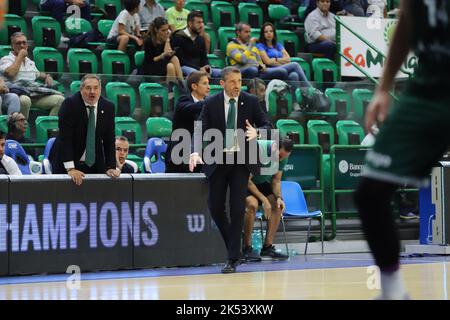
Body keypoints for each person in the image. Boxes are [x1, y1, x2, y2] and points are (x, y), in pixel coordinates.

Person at [354, 0, 450, 299]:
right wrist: (383, 87)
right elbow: (407, 21)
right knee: (369, 193)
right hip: (425, 92)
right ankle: (393, 292)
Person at [190, 67, 272, 273]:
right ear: (222, 84)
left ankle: (232, 258)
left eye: (240, 81)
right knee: (215, 207)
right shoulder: (211, 103)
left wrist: (258, 132)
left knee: (237, 209)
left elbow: (268, 125)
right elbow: (199, 128)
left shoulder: (250, 101)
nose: (238, 85)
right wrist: (194, 152)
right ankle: (235, 250)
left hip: (241, 162)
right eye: (233, 81)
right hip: (218, 161)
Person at [49, 74, 120, 186]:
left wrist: (110, 166)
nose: (92, 91)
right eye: (88, 88)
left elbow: (109, 139)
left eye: (96, 88)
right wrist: (70, 169)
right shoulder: (70, 104)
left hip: (94, 162)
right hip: (67, 160)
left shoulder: (108, 107)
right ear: (81, 89)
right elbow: (65, 138)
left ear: (100, 89)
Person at [243, 138, 293, 262]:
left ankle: (267, 247)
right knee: (253, 205)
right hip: (243, 181)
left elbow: (276, 180)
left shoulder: (283, 156)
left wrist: (279, 198)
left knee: (277, 206)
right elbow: (247, 181)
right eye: (280, 156)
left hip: (260, 182)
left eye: (284, 157)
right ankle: (246, 248)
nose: (281, 160)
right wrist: (264, 200)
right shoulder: (258, 150)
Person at [0, 32, 64, 118]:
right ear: (12, 46)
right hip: (18, 94)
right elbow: (11, 73)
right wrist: (20, 56)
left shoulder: (30, 62)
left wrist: (47, 76)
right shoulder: (6, 59)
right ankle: (21, 129)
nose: (22, 45)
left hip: (34, 94)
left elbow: (38, 74)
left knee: (60, 100)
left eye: (24, 43)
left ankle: (49, 128)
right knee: (25, 100)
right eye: (18, 43)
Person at [166, 71, 210, 173]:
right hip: (178, 156)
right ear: (194, 86)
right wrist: (211, 102)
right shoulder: (183, 100)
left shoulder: (207, 105)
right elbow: (192, 107)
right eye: (204, 83)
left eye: (208, 83)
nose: (209, 87)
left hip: (199, 155)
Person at [171, 11, 221, 79]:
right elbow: (181, 60)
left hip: (200, 69)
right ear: (190, 23)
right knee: (198, 74)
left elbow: (204, 58)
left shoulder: (200, 39)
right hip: (184, 67)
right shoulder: (178, 36)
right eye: (198, 22)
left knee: (223, 73)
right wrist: (199, 69)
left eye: (202, 22)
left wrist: (207, 68)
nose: (201, 25)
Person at [142, 17, 184, 84]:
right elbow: (151, 60)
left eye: (167, 30)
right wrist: (163, 55)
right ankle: (182, 83)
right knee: (173, 60)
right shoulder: (149, 41)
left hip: (165, 64)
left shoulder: (169, 38)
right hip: (152, 67)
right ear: (156, 30)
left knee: (171, 66)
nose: (165, 32)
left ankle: (172, 90)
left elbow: (168, 53)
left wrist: (167, 40)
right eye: (163, 30)